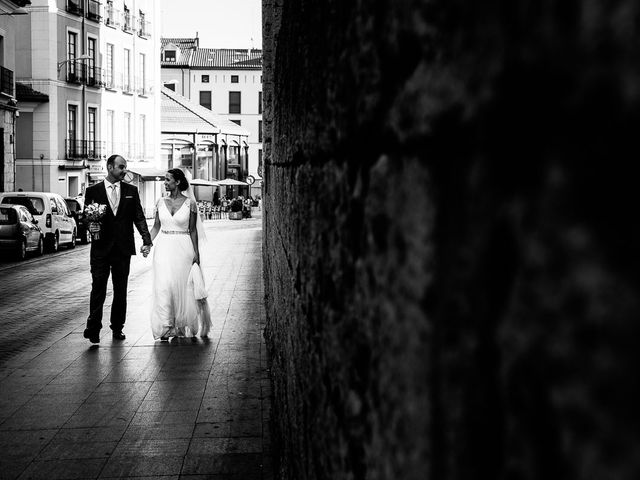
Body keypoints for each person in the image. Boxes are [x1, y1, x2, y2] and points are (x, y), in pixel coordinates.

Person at [83, 154, 152, 343]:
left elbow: (138, 216)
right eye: (121, 167)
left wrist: (146, 239)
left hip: (122, 248)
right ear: (109, 167)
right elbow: (85, 217)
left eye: (125, 167)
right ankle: (94, 327)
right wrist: (90, 226)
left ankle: (117, 327)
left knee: (121, 290)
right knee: (98, 288)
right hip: (100, 249)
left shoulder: (131, 190)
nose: (124, 171)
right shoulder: (93, 191)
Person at [147, 168, 212, 340]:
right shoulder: (160, 202)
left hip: (184, 249)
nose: (165, 182)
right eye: (165, 179)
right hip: (163, 249)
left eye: (168, 179)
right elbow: (156, 227)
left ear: (177, 182)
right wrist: (147, 243)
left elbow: (192, 231)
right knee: (164, 286)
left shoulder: (190, 203)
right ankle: (166, 326)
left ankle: (181, 325)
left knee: (183, 288)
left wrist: (196, 254)